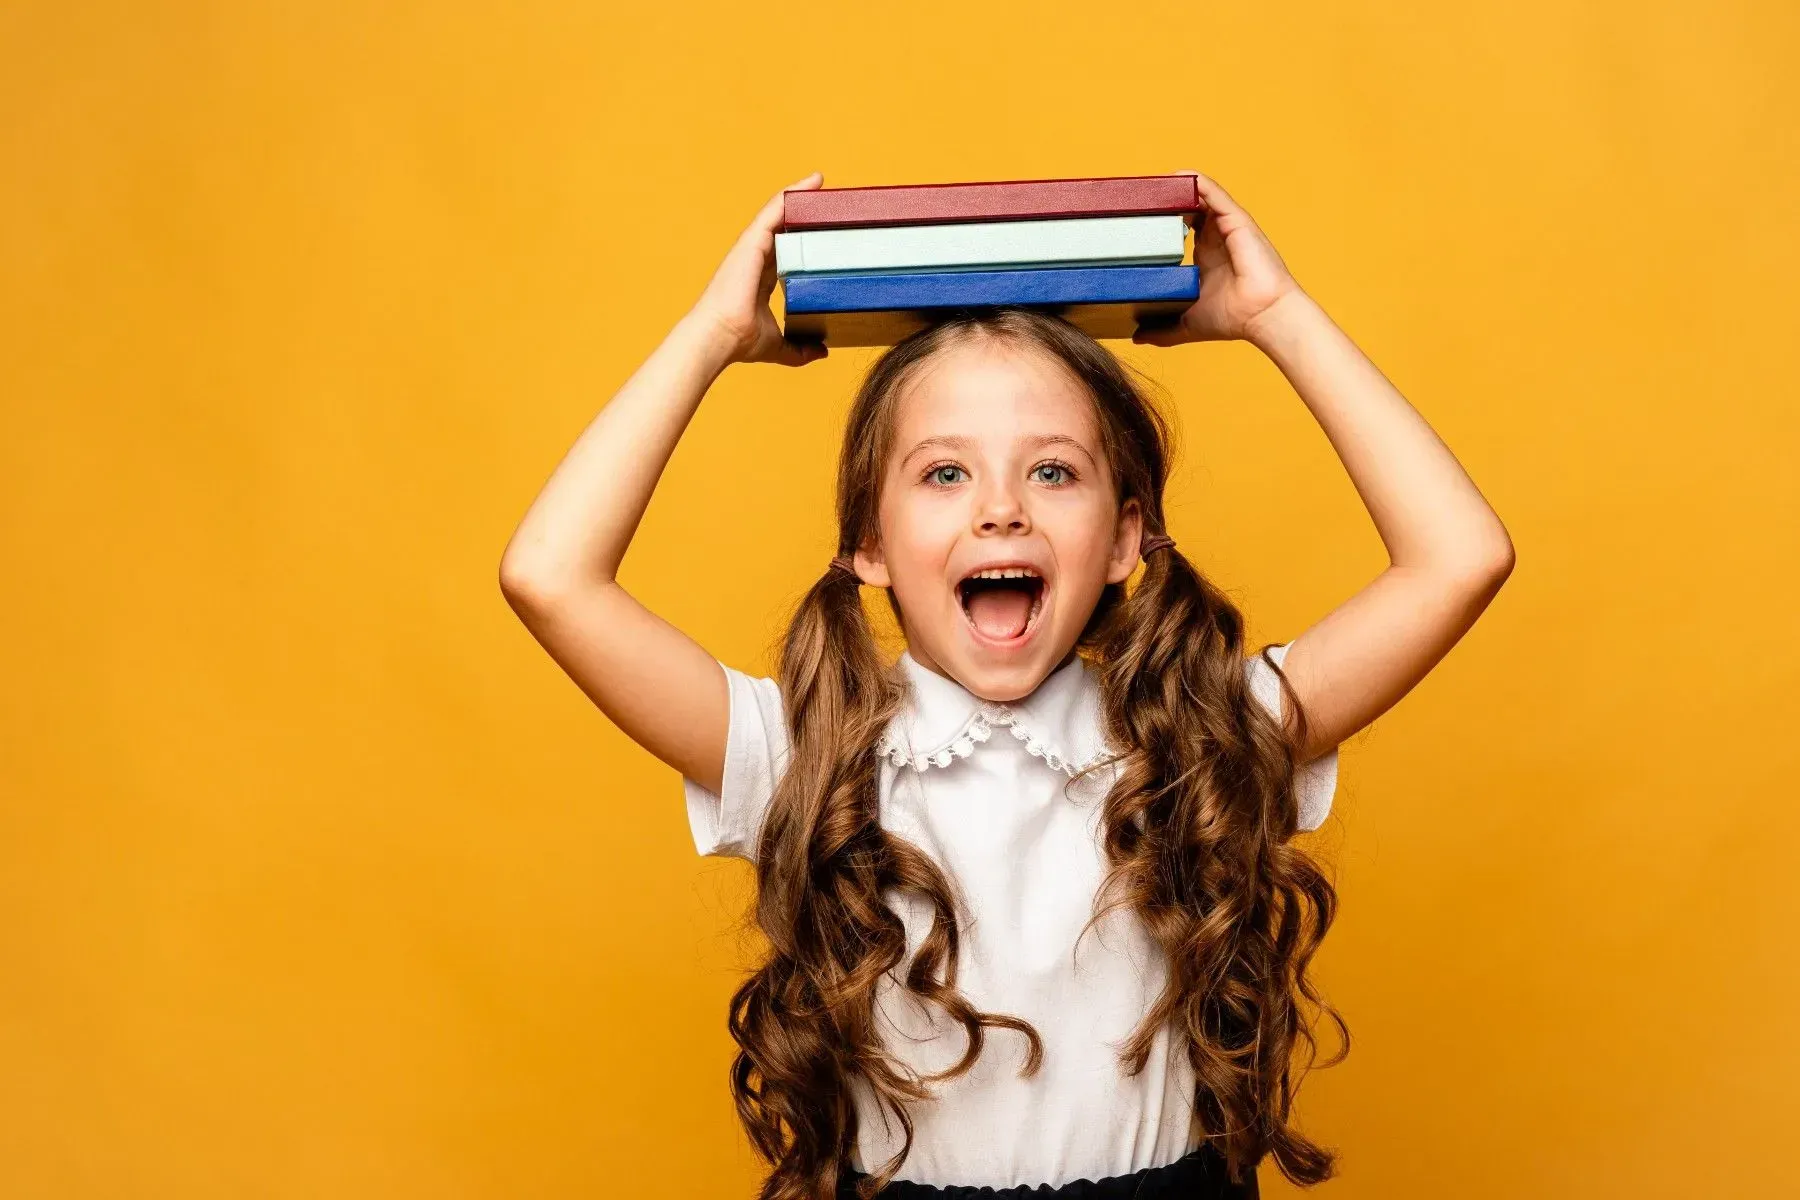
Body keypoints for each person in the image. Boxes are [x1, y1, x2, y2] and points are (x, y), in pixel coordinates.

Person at [498, 170, 1515, 1200]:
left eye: (1053, 472)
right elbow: (550, 576)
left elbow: (1457, 557)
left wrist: (1277, 317)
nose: (1000, 512)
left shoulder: (1197, 740)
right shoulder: (808, 754)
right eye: (945, 473)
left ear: (1126, 538)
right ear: (869, 544)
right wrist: (712, 333)